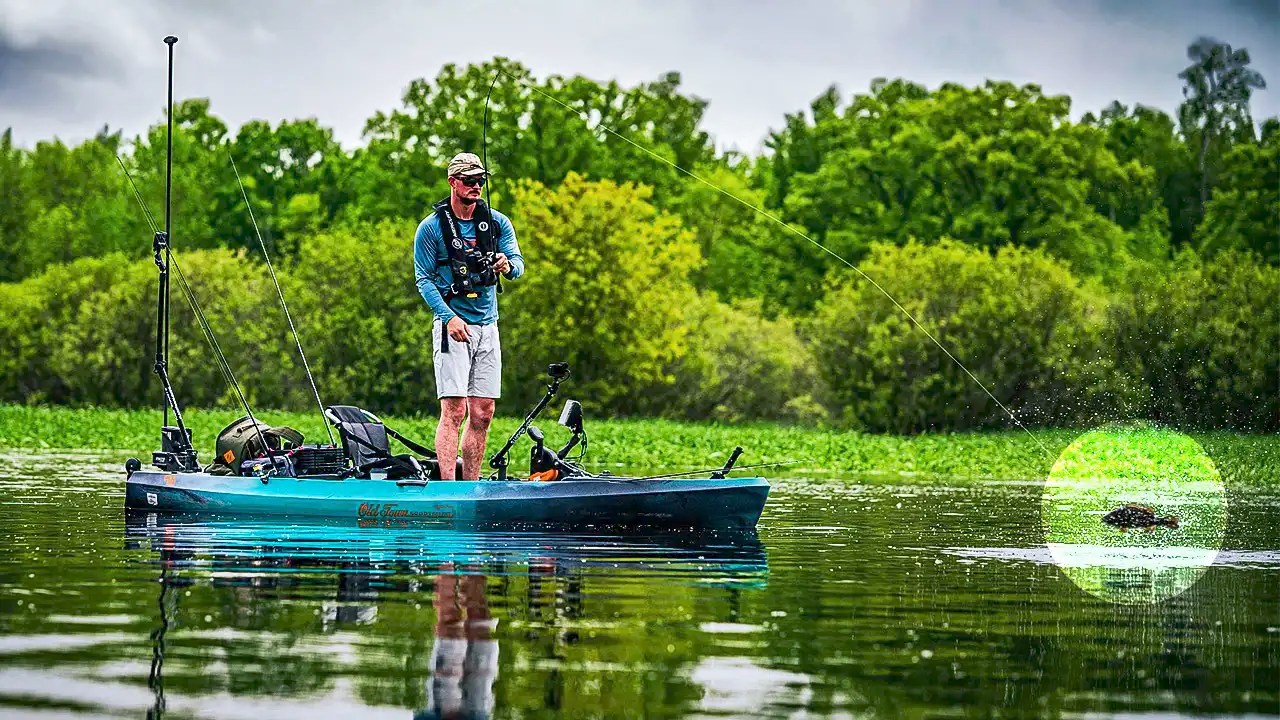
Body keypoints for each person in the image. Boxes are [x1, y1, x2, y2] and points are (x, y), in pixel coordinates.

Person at [414, 152, 524, 480]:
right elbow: (423, 279)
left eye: (480, 180)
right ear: (453, 182)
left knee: (483, 412)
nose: (476, 186)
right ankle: (449, 488)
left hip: (488, 327)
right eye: (469, 180)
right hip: (452, 327)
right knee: (454, 409)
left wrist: (508, 265)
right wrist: (448, 318)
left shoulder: (498, 222)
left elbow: (518, 263)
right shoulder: (430, 229)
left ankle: (471, 486)